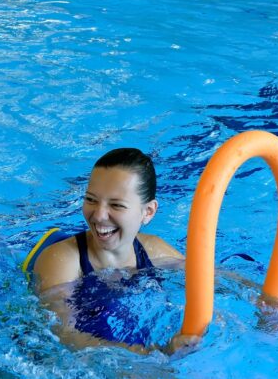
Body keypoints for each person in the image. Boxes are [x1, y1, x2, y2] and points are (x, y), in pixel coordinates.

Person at [31, 148, 186, 351]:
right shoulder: (61, 260)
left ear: (147, 212)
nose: (99, 215)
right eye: (91, 200)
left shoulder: (153, 251)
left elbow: (216, 279)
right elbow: (63, 335)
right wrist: (154, 353)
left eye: (116, 205)